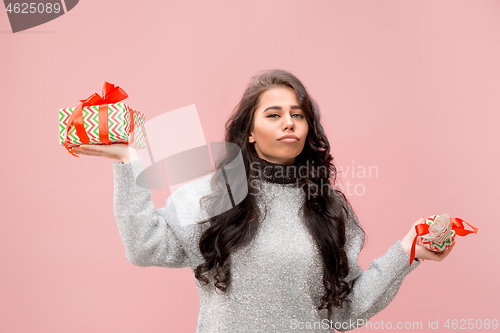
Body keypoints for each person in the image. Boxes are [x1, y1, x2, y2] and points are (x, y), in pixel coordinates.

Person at [71, 69, 453, 333]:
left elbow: (346, 311)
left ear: (308, 129)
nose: (288, 122)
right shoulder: (213, 193)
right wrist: (128, 162)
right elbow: (143, 247)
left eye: (297, 115)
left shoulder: (329, 207)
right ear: (250, 132)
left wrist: (408, 251)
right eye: (274, 114)